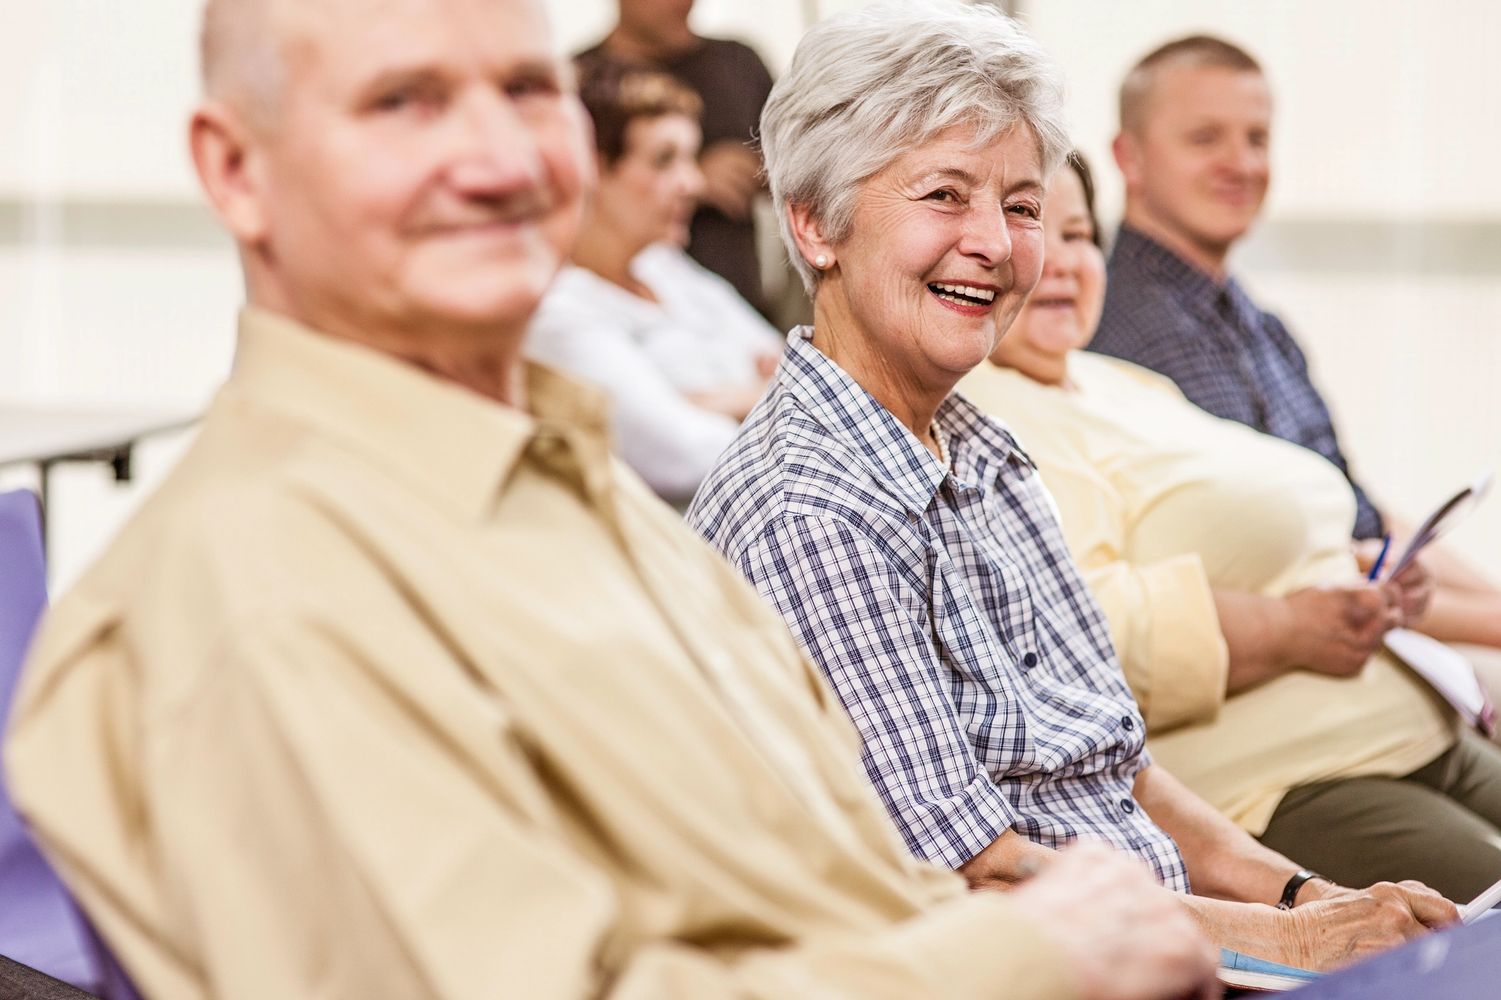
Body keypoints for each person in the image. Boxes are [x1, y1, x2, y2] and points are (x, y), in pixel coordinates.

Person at [0, 1, 1221, 998]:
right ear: (236, 170)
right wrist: (1040, 950)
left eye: (529, 91)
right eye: (401, 102)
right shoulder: (253, 588)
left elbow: (838, 883)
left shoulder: (583, 491)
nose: (498, 159)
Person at [689, 0, 1458, 974]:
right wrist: (1298, 942)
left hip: (1176, 947)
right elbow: (977, 875)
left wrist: (1312, 897)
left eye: (1019, 205)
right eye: (943, 196)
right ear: (814, 226)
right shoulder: (809, 508)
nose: (997, 244)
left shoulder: (984, 452)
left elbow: (1117, 766)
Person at [960, 151, 1501, 901]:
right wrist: (1284, 628)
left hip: (1417, 728)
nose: (1060, 262)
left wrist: (1366, 580)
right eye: (1032, 229)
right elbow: (1069, 637)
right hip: (1289, 781)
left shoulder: (1120, 383)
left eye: (1080, 234)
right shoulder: (985, 416)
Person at [1088, 34, 1501, 670]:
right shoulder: (1130, 333)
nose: (1242, 163)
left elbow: (1364, 517)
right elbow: (1304, 567)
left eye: (1256, 139)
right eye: (1205, 139)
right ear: (1130, 157)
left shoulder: (1256, 322)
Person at [527, 64, 780, 505]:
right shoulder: (557, 313)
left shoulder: (665, 268)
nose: (693, 183)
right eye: (665, 160)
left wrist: (708, 401)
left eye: (691, 158)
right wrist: (765, 393)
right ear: (592, 169)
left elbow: (795, 363)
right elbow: (684, 456)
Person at [578, 0, 775, 314]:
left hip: (738, 301)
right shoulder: (579, 81)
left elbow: (801, 174)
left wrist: (763, 169)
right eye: (664, 158)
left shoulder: (737, 63)